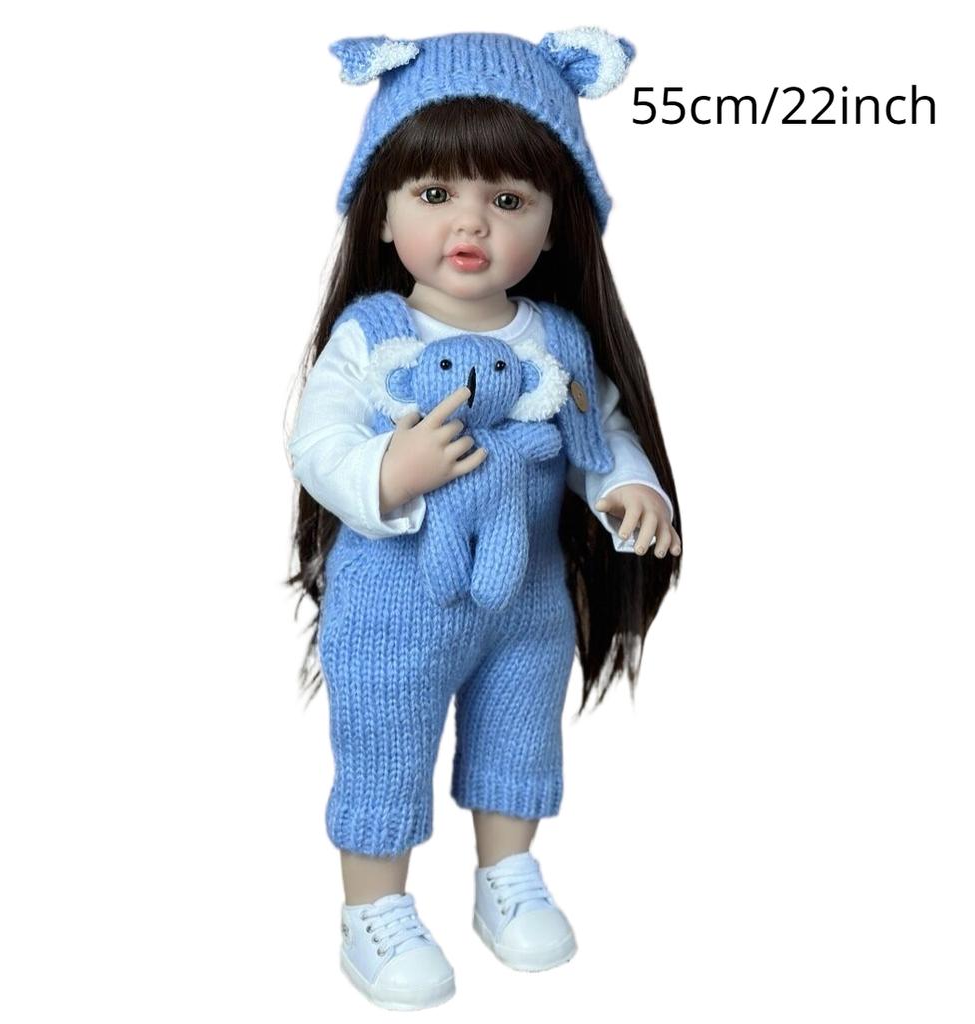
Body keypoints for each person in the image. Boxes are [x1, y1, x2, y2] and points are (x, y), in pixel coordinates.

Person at [283, 29, 683, 1011]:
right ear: (381, 212)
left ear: (554, 225)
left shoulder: (558, 339)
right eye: (434, 193)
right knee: (386, 750)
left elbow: (599, 435)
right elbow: (317, 442)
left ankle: (506, 874)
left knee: (520, 739)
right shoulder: (372, 334)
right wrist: (391, 469)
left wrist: (631, 490)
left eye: (507, 200)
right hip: (393, 609)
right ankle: (373, 908)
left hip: (527, 606)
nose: (470, 223)